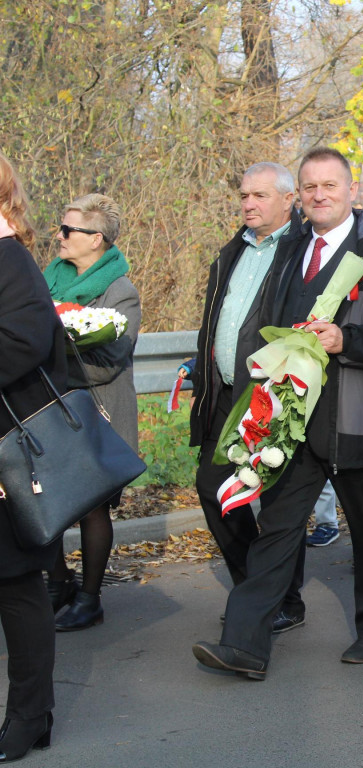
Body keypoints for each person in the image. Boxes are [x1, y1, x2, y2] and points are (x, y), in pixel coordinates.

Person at [192, 147, 363, 678]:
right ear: (300, 195)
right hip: (292, 413)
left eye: (330, 186)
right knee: (277, 528)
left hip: (358, 415)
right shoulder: (291, 246)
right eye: (311, 187)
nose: (320, 195)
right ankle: (244, 644)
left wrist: (348, 338)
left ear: (351, 192)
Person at [182, 162, 313, 630]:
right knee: (212, 487)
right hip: (223, 391)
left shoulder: (301, 249)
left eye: (259, 196)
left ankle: (282, 600)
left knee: (276, 504)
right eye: (244, 196)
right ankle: (255, 588)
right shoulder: (232, 249)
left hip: (270, 392)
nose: (249, 204)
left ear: (287, 200)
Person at [44, 193, 141, 631]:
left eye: (68, 230)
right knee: (40, 501)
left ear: (95, 238)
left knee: (91, 509)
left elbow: (108, 363)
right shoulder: (47, 279)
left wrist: (56, 348)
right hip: (48, 407)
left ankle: (90, 597)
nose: (59, 236)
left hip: (96, 411)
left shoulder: (120, 291)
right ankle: (59, 581)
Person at [0, 152, 66, 762]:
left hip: (7, 453)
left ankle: (30, 715)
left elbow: (24, 342)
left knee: (17, 587)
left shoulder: (10, 257)